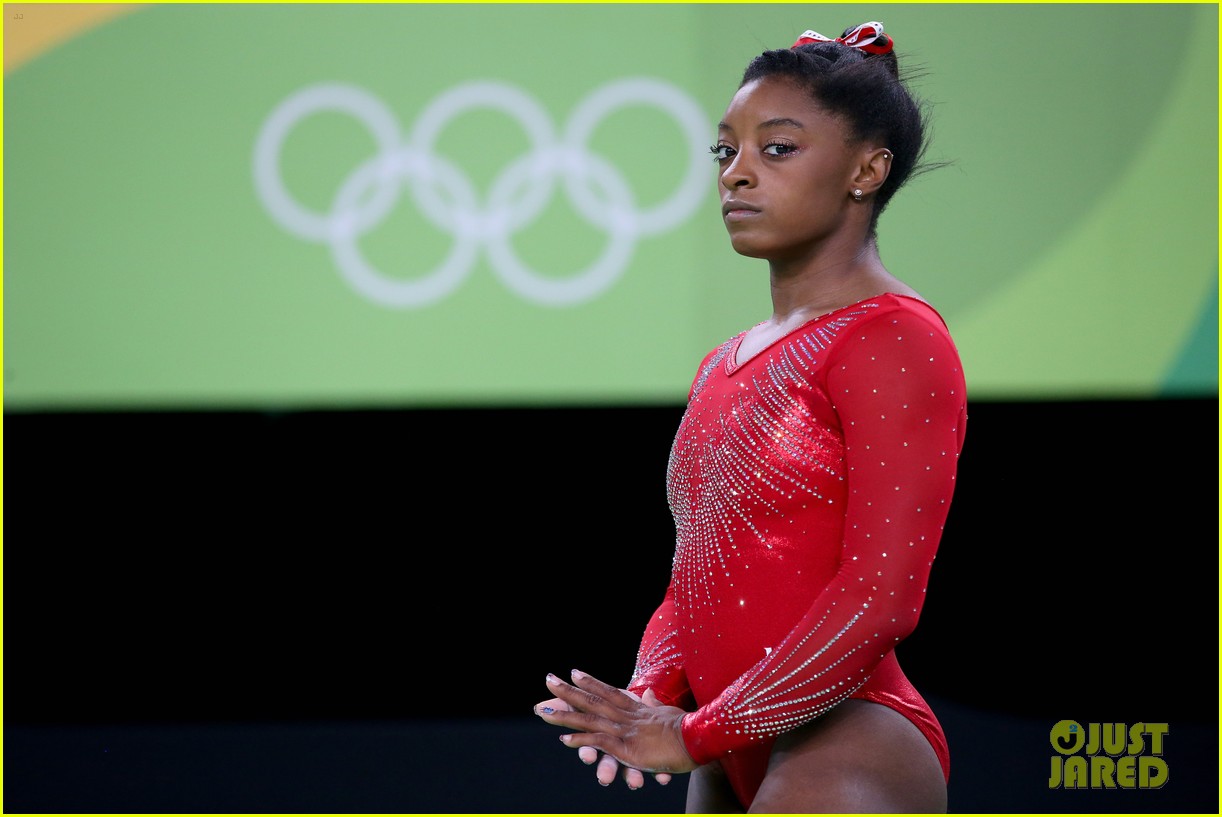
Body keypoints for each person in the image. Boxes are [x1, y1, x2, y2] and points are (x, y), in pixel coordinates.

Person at [535, 21, 966, 813]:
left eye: (778, 149)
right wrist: (645, 694)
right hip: (732, 742)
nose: (736, 174)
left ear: (866, 170)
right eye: (724, 151)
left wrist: (697, 733)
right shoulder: (724, 361)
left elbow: (881, 597)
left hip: (848, 740)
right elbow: (694, 572)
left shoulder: (893, 335)